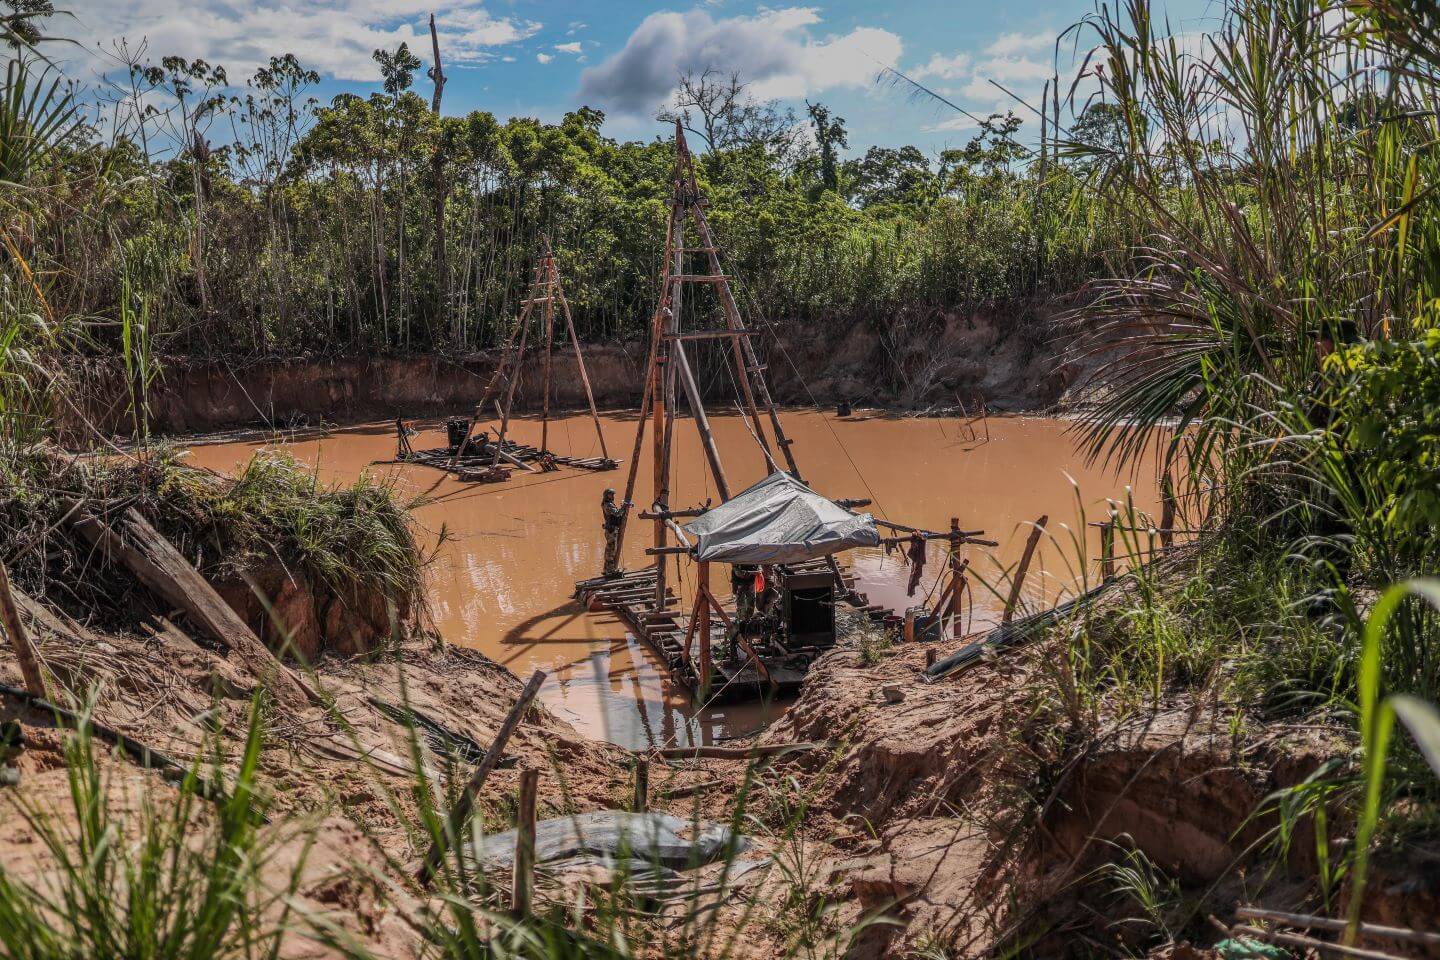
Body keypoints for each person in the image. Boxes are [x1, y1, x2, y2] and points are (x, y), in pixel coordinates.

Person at [601, 488, 630, 577]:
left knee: (610, 550)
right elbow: (617, 513)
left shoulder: (609, 504)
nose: (613, 496)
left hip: (611, 530)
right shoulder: (608, 504)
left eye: (613, 494)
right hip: (611, 531)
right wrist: (624, 506)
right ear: (606, 496)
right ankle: (610, 571)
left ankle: (607, 569)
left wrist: (623, 506)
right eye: (611, 494)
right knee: (611, 551)